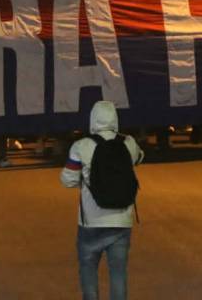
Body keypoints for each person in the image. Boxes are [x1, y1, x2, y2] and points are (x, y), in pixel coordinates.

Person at [60, 100, 143, 300]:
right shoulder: (129, 142)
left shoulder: (81, 146)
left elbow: (67, 180)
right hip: (121, 221)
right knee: (118, 274)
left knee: (89, 272)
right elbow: (139, 157)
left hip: (91, 222)